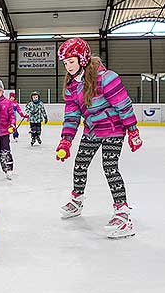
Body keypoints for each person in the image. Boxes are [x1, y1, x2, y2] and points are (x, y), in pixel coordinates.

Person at [56, 37, 143, 239]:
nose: (68, 67)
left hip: (113, 128)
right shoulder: (72, 86)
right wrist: (66, 140)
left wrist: (133, 130)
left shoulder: (106, 78)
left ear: (83, 59)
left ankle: (123, 213)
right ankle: (77, 200)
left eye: (71, 62)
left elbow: (123, 105)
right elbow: (71, 115)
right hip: (92, 130)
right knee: (80, 163)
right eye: (65, 63)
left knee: (109, 166)